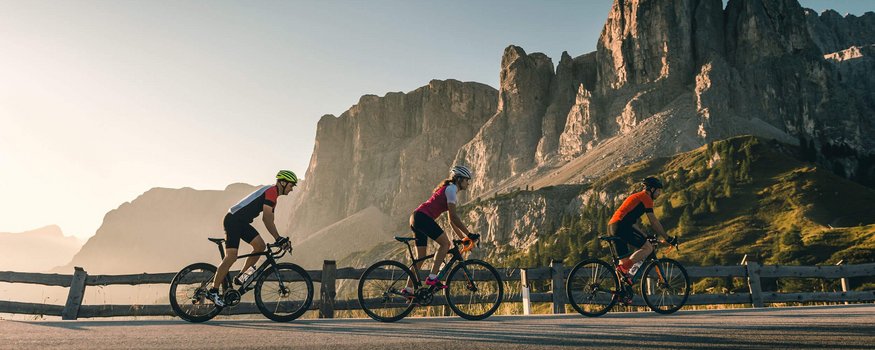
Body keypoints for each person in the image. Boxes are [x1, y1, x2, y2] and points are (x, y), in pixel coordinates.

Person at [207, 170, 296, 306]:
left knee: (260, 247)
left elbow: (270, 219)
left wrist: (279, 238)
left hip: (241, 222)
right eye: (291, 185)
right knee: (231, 256)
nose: (292, 189)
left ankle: (241, 277)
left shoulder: (273, 195)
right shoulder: (272, 191)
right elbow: (266, 218)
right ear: (283, 182)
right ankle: (212, 291)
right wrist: (278, 238)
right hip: (233, 220)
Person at [402, 165, 477, 297]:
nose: (468, 183)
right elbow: (454, 217)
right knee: (445, 244)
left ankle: (408, 289)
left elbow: (451, 221)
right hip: (422, 218)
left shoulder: (448, 189)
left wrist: (463, 239)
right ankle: (432, 278)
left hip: (416, 218)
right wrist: (469, 234)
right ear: (459, 179)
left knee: (420, 258)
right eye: (466, 180)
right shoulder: (452, 189)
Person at [608, 177, 677, 291]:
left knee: (623, 264)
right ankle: (624, 268)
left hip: (613, 226)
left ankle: (620, 293)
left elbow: (633, 224)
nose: (659, 194)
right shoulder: (646, 198)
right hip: (621, 226)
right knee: (648, 248)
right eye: (658, 191)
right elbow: (653, 221)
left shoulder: (636, 197)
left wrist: (645, 235)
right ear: (652, 189)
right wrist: (667, 237)